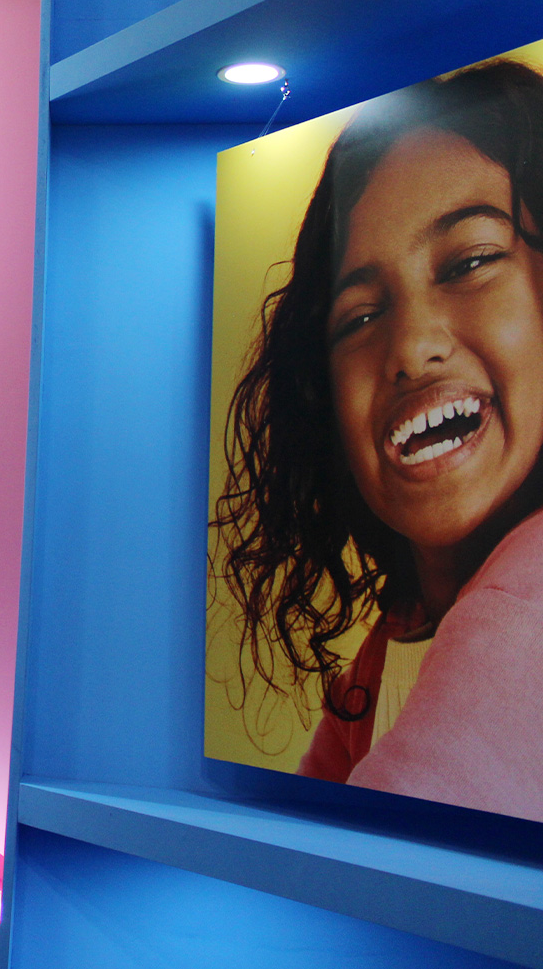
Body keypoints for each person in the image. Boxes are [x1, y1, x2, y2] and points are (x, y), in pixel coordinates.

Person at [216, 58, 543, 822]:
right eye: (360, 317)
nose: (411, 348)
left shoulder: (526, 607)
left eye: (470, 263)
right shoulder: (392, 639)